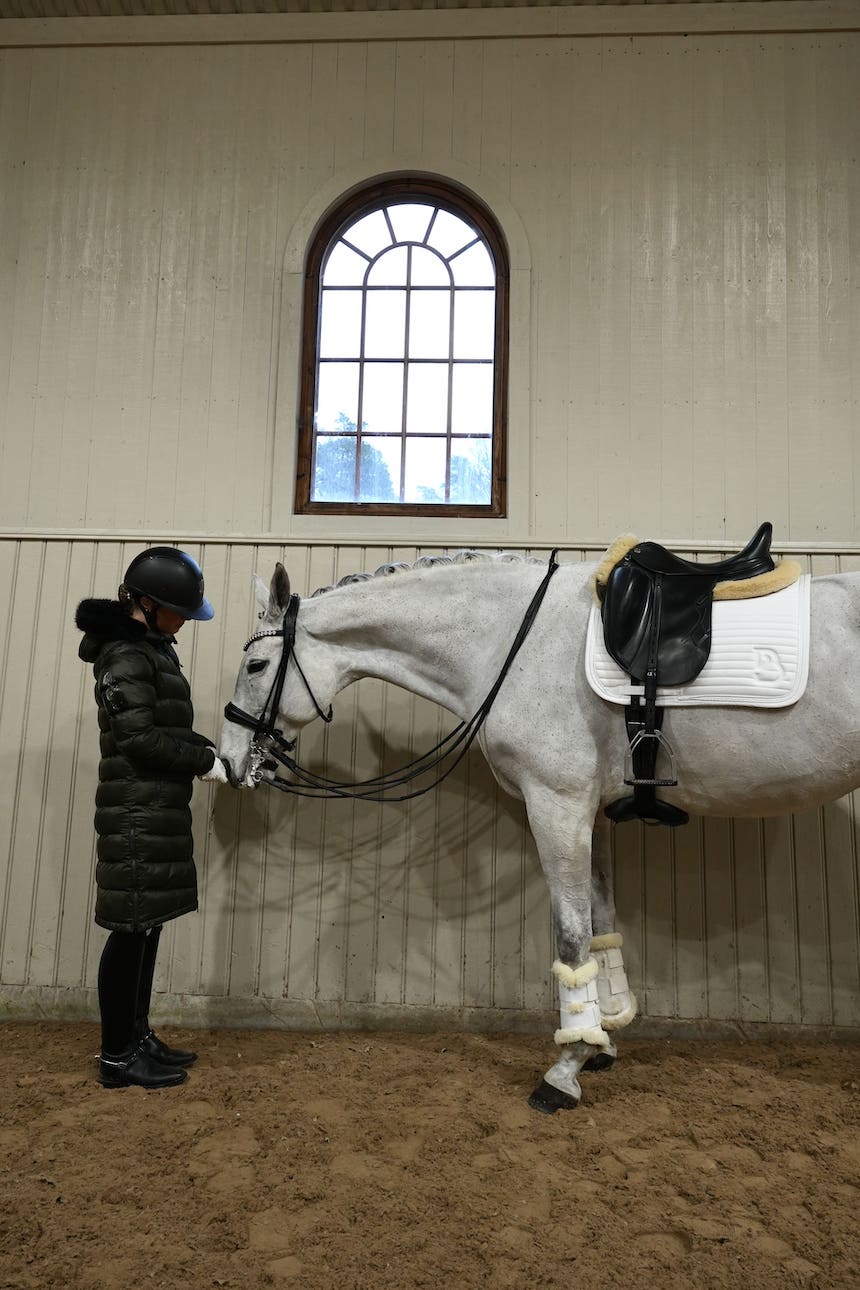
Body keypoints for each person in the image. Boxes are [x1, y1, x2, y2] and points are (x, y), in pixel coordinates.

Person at [75, 546, 228, 1089]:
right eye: (179, 610)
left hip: (154, 809)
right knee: (128, 934)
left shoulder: (153, 648)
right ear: (146, 602)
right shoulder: (124, 655)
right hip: (135, 815)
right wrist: (202, 761)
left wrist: (212, 749)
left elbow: (164, 724)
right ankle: (117, 1056)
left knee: (146, 931)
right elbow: (138, 738)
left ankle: (138, 1037)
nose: (185, 620)